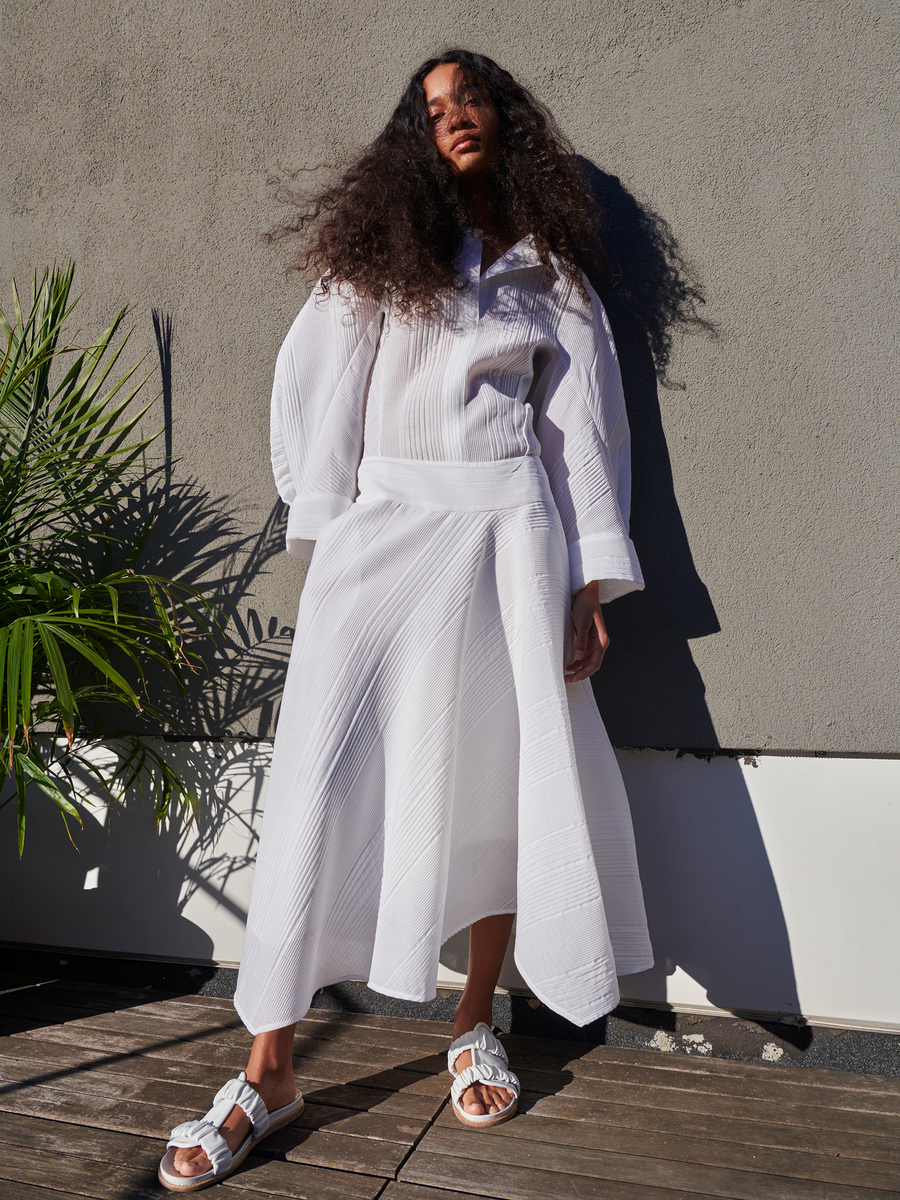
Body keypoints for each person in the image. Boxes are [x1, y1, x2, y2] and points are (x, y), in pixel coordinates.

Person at [158, 48, 652, 1192]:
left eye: (470, 97)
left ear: (503, 116)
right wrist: (331, 550)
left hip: (511, 536)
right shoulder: (375, 261)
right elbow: (318, 402)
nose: (455, 117)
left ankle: (475, 1017)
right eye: (432, 108)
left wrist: (588, 582)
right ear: (412, 138)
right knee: (321, 788)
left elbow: (586, 433)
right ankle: (269, 1067)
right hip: (389, 532)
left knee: (503, 773)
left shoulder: (550, 272)